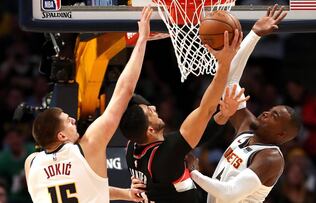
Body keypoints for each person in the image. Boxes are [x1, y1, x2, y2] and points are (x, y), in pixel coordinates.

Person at [23, 6, 153, 203]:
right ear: (61, 135)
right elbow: (124, 92)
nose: (74, 119)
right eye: (68, 121)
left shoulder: (31, 163)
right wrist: (142, 39)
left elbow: (82, 187)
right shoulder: (89, 147)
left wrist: (126, 194)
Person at [185, 5, 301, 203]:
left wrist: (194, 172)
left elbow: (230, 192)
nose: (265, 113)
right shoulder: (248, 126)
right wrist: (254, 34)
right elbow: (229, 82)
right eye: (270, 110)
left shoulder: (271, 158)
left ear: (281, 134)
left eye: (274, 116)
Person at [120, 27, 243, 202]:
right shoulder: (167, 153)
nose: (153, 107)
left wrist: (223, 115)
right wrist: (225, 63)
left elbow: (196, 136)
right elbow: (206, 109)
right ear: (149, 130)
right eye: (149, 111)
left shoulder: (133, 146)